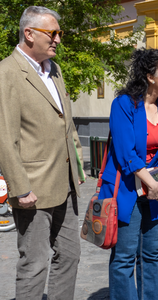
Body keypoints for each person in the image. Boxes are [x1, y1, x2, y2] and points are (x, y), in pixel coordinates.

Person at [0, 6, 84, 300]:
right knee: (34, 264)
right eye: (53, 33)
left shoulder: (55, 69)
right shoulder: (7, 73)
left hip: (65, 185)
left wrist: (77, 169)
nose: (58, 39)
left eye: (60, 33)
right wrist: (19, 187)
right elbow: (4, 137)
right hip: (33, 188)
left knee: (70, 257)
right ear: (29, 33)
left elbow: (66, 122)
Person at [99, 48, 158, 300]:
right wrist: (151, 184)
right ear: (150, 76)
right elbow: (126, 153)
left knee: (151, 254)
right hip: (127, 189)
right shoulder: (123, 104)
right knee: (124, 257)